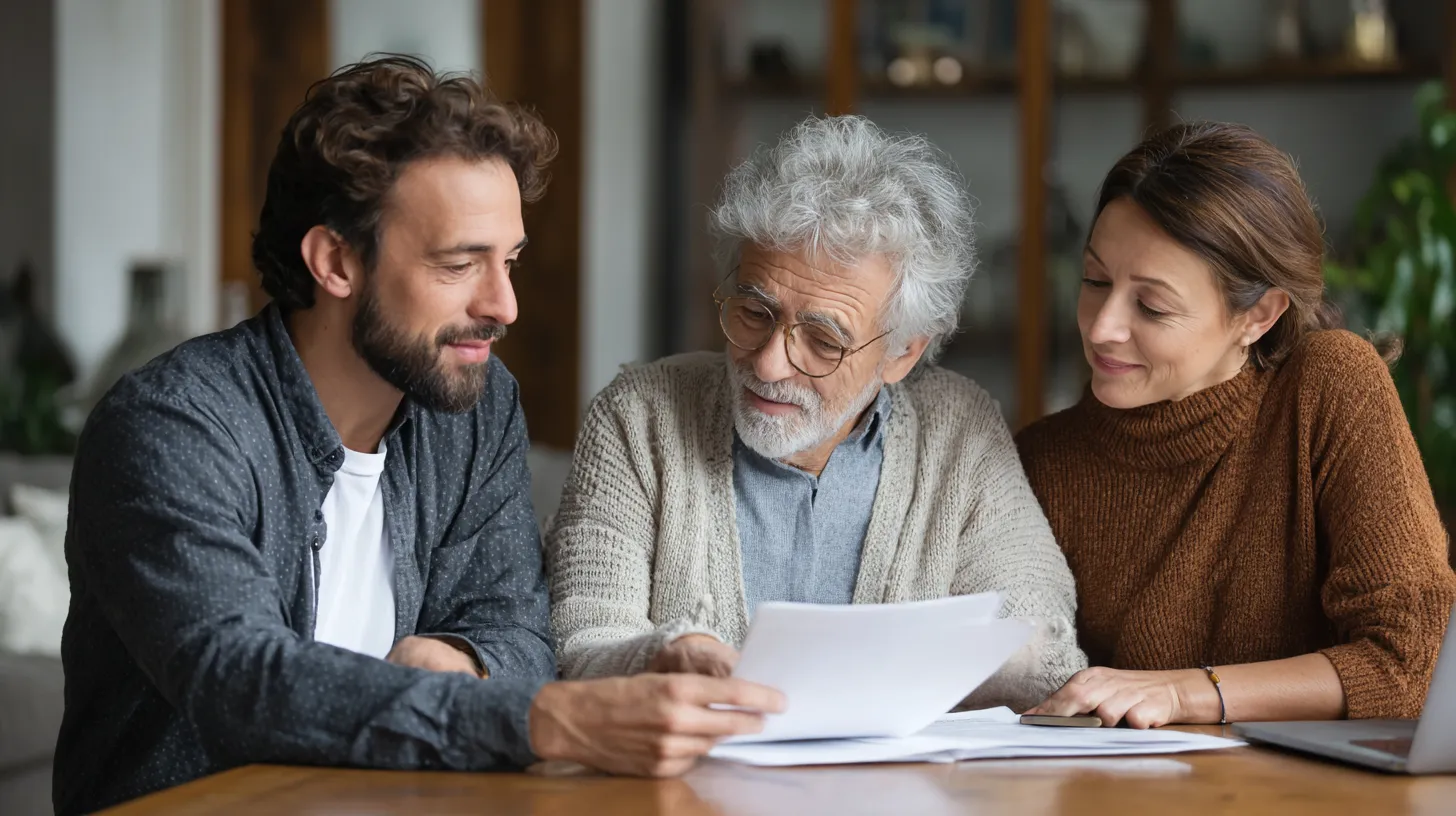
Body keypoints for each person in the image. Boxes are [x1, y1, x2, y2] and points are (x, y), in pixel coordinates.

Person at [54, 56, 781, 815]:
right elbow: (240, 678)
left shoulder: (475, 405)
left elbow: (516, 632)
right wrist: (545, 719)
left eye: (510, 262)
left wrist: (462, 658)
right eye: (459, 264)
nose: (503, 305)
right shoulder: (172, 425)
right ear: (335, 260)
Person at [545, 115, 1086, 710]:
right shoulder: (640, 417)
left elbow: (1044, 651)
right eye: (754, 312)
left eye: (824, 341)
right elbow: (582, 643)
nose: (771, 363)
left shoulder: (959, 430)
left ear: (902, 353)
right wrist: (662, 654)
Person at [1017, 121, 1456, 729]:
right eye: (1095, 281)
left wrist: (1186, 694)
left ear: (1259, 315)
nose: (1100, 327)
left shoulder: (1328, 389)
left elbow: (1412, 661)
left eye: (1152, 306)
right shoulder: (1043, 460)